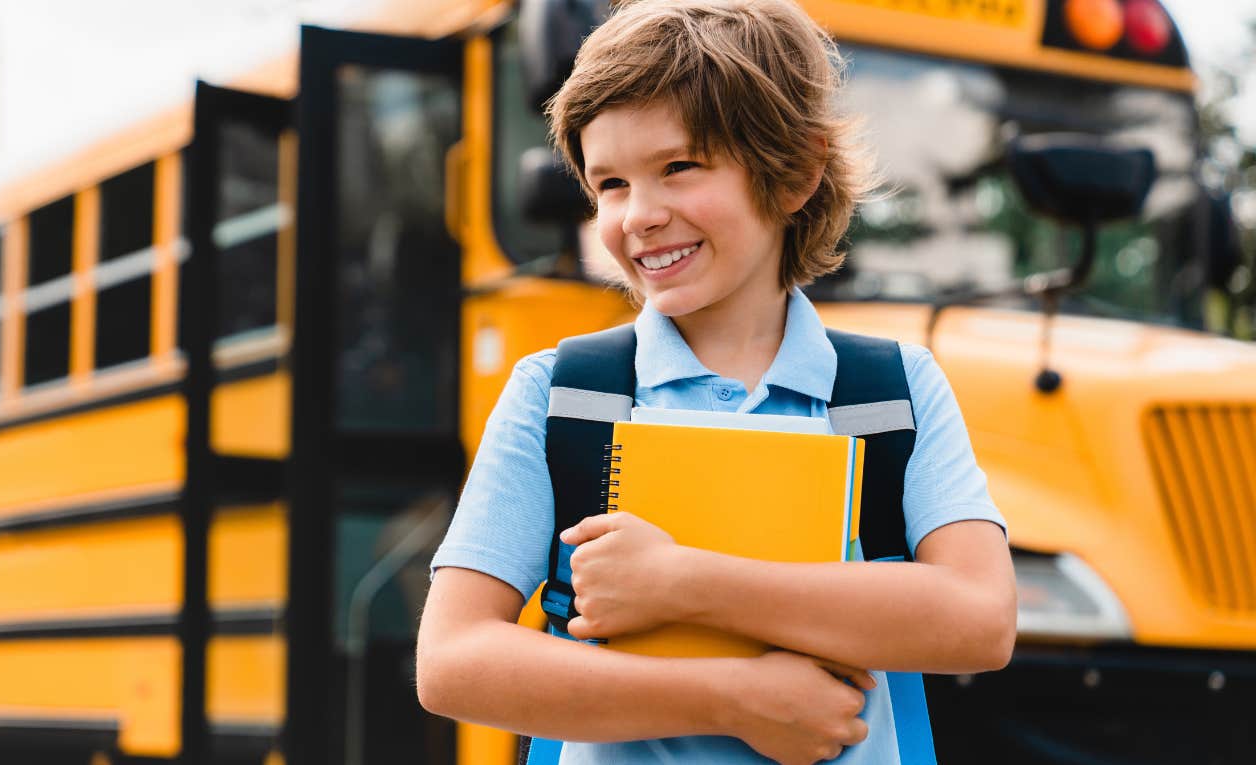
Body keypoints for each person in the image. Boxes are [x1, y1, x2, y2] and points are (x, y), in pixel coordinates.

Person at [416, 1, 1016, 762]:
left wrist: (685, 582)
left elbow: (979, 621)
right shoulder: (561, 394)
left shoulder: (890, 393)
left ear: (795, 173)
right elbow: (452, 662)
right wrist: (735, 698)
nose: (639, 215)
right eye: (610, 184)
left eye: (677, 168)